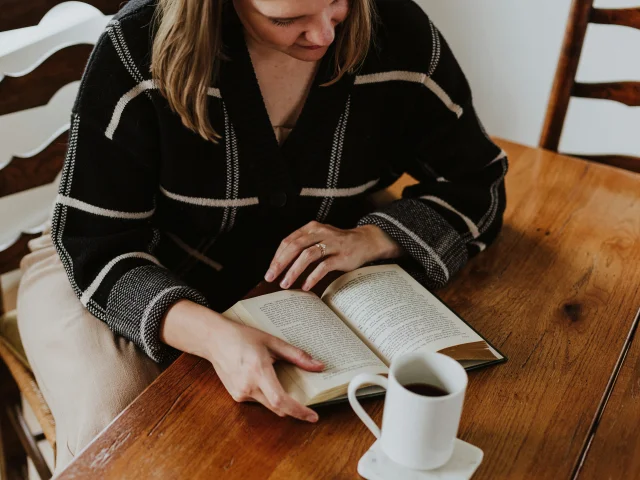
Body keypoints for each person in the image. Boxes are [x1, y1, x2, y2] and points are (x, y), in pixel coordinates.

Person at [17, 0, 508, 473]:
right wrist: (214, 337)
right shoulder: (136, 45)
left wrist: (374, 238)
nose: (324, 35)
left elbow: (476, 181)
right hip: (112, 265)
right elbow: (95, 241)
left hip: (294, 287)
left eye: (338, 1)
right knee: (128, 439)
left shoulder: (398, 30)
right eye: (286, 18)